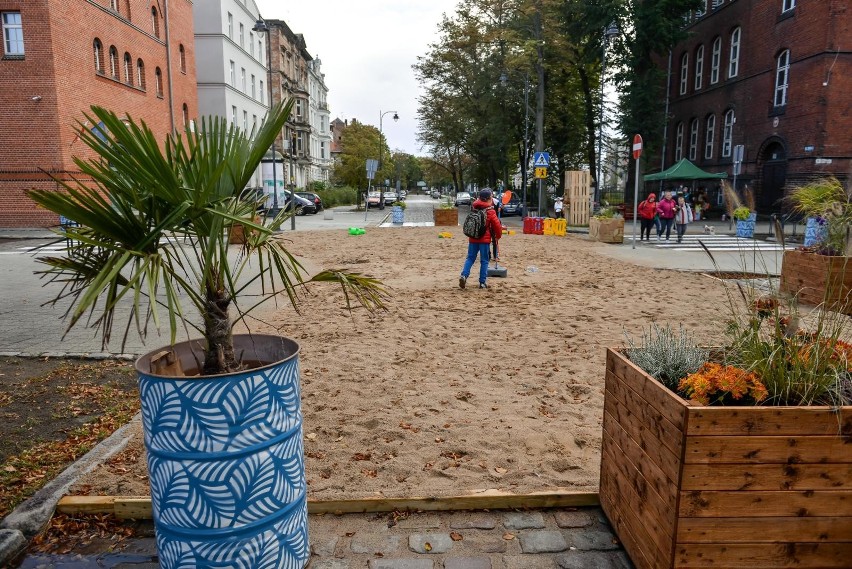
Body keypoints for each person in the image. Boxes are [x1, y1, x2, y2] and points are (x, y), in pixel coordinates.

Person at [459, 189, 502, 289]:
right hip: (484, 240)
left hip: (473, 237)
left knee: (470, 258)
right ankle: (482, 282)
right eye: (491, 197)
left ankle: (464, 275)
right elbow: (497, 226)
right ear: (488, 198)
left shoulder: (474, 207)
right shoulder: (490, 211)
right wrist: (498, 236)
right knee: (484, 260)